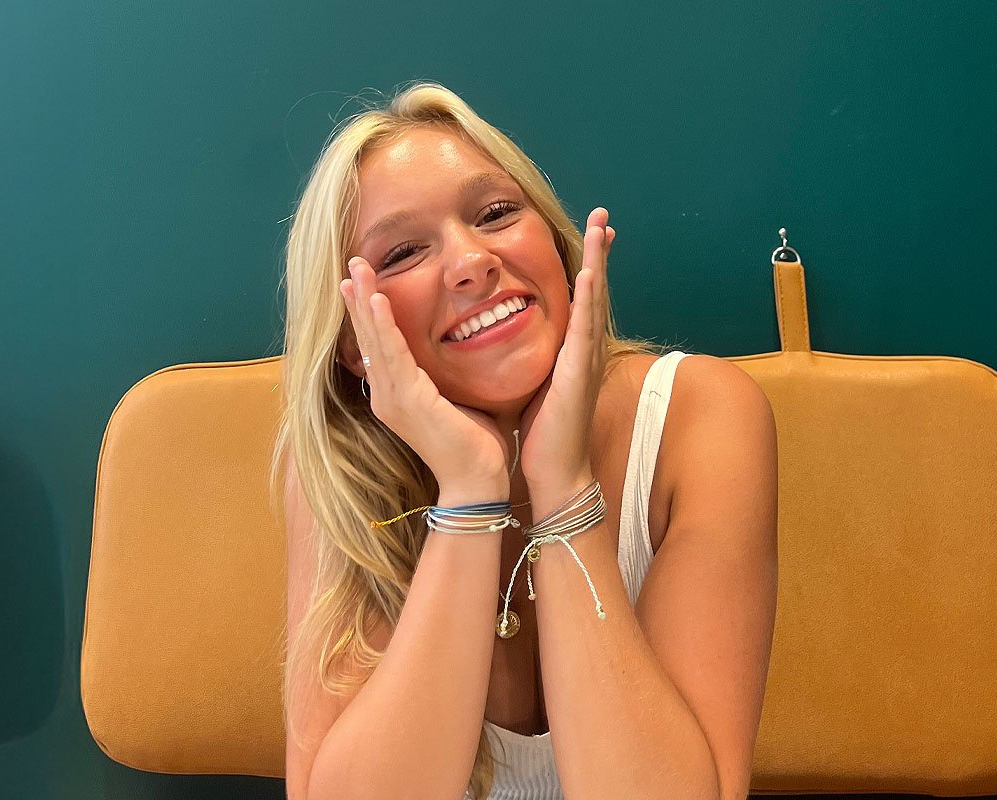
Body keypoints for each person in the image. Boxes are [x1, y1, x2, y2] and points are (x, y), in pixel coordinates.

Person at [279, 84, 779, 799]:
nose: (472, 261)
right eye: (402, 253)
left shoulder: (700, 416)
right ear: (357, 344)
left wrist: (564, 487)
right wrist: (471, 491)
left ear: (555, 242)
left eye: (496, 213)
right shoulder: (338, 468)